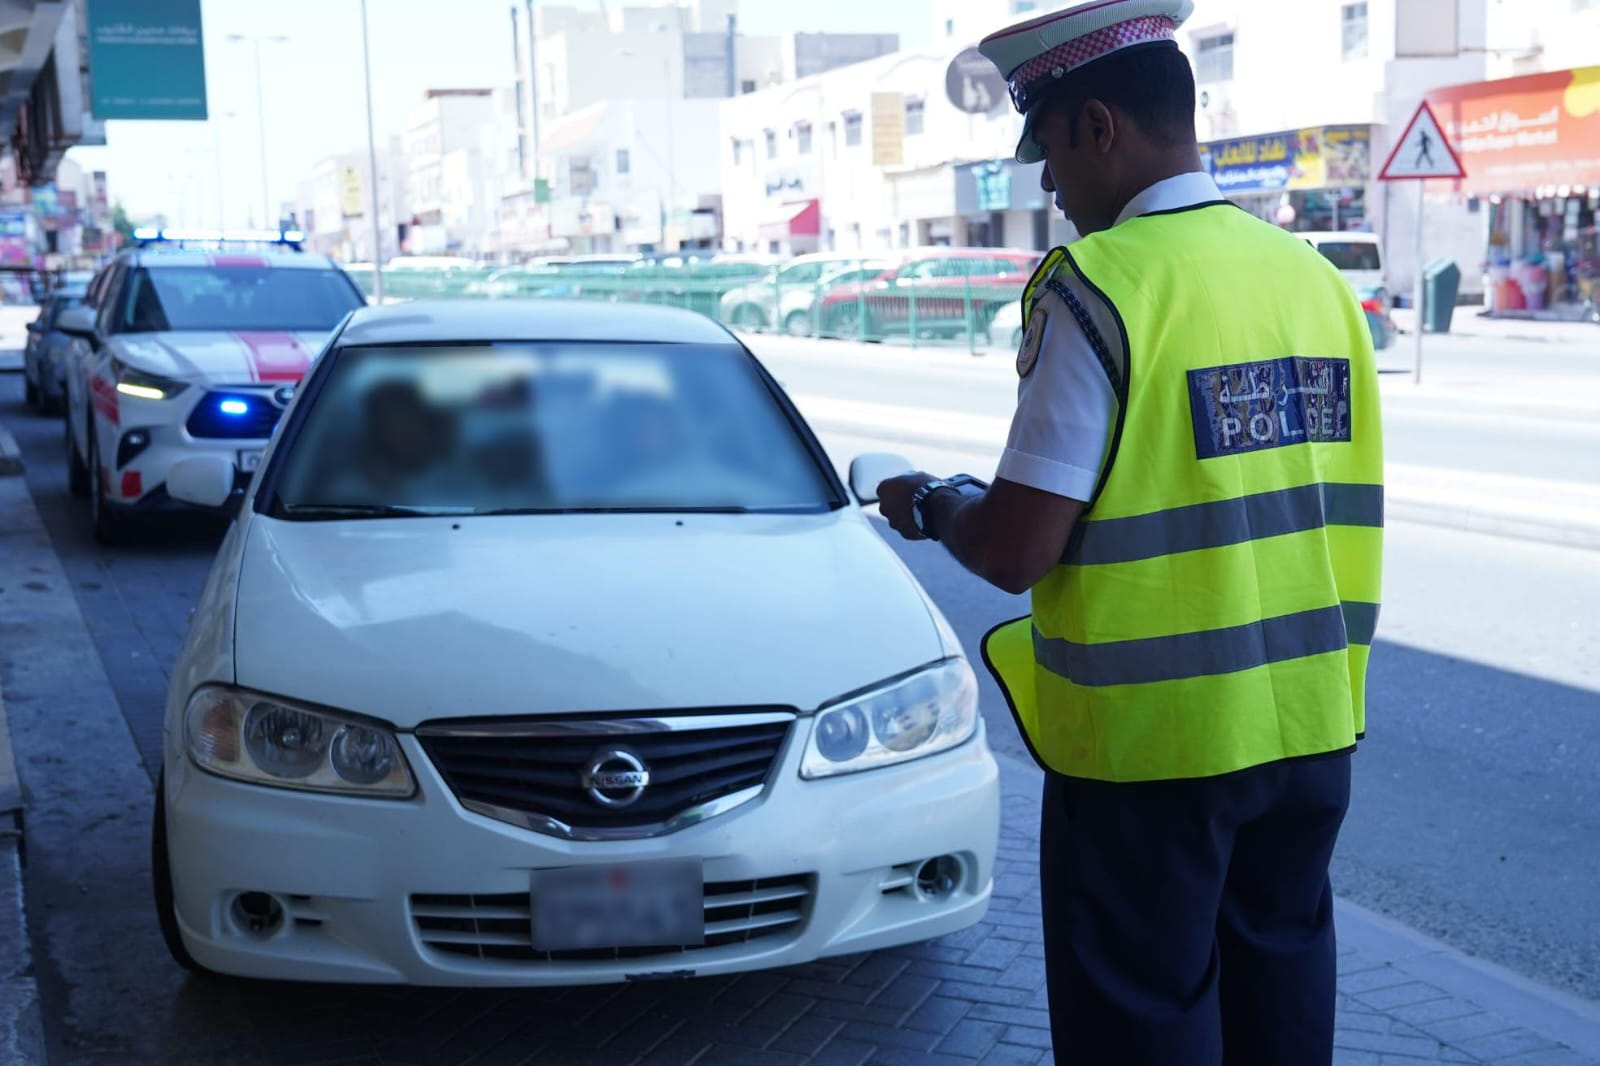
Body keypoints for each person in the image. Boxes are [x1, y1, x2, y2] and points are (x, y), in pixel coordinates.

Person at [874, 2, 1385, 1063]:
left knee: (1140, 1026)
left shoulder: (1100, 286)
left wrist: (932, 502)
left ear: (1098, 126)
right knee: (1282, 989)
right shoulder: (1314, 283)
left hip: (1154, 752)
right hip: (1309, 729)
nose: (1049, 188)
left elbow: (1017, 548)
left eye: (1050, 150)